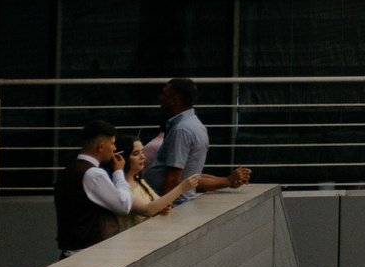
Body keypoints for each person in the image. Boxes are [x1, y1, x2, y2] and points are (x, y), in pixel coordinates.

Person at [145, 77, 251, 205]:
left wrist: (159, 208)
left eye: (164, 94)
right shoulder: (194, 125)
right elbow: (192, 176)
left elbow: (173, 179)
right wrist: (227, 181)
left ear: (175, 100)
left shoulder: (181, 130)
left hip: (172, 206)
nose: (160, 98)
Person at [54, 120, 130, 257]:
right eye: (112, 143)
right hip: (88, 255)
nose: (114, 148)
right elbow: (124, 205)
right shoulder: (93, 174)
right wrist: (119, 172)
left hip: (71, 252)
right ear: (101, 146)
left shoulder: (68, 171)